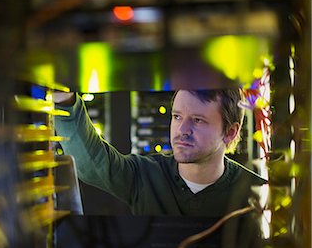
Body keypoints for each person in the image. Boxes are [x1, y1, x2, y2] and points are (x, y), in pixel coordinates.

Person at [53, 89, 267, 216]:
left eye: (198, 120)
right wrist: (65, 100)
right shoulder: (145, 175)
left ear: (230, 132)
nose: (182, 130)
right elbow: (93, 163)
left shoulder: (257, 193)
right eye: (177, 117)